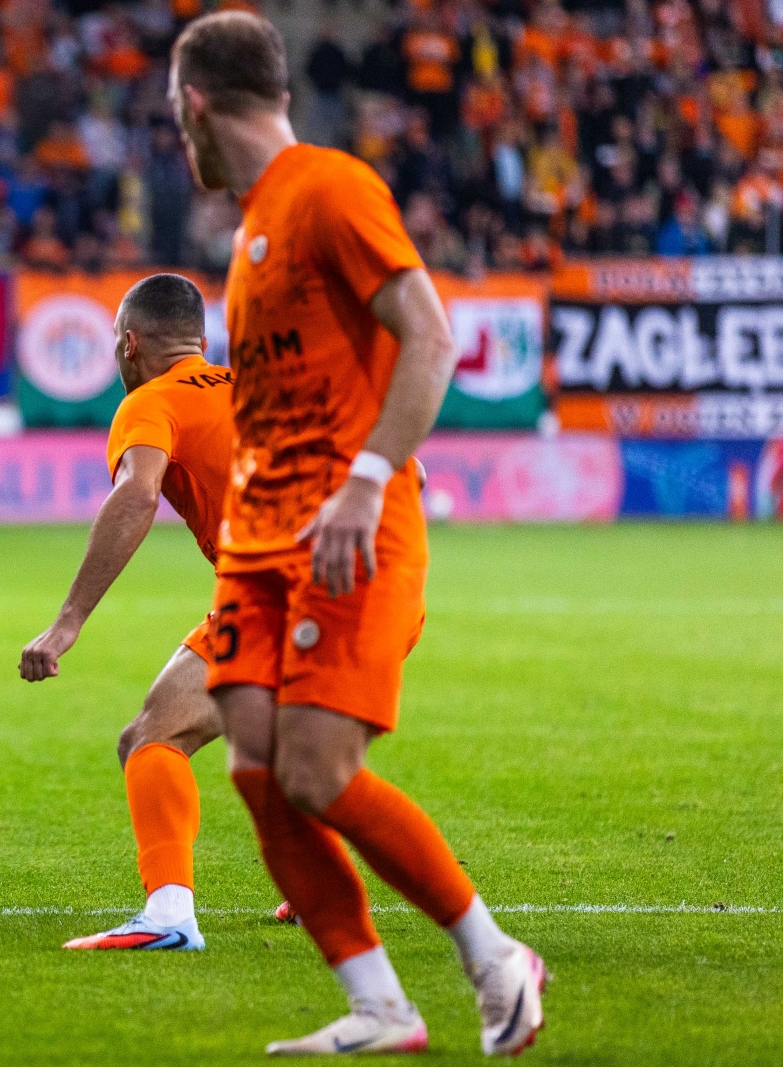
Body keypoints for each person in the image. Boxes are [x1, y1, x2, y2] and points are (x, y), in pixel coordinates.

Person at [167, 12, 548, 1057]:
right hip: (260, 538)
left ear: (194, 103)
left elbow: (430, 334)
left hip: (342, 529)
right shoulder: (252, 229)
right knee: (253, 762)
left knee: (317, 769)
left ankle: (493, 957)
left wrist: (369, 479)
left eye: (175, 117)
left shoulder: (329, 188)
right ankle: (379, 1004)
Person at [19, 273, 235, 951]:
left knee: (151, 739)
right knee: (290, 745)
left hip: (283, 592)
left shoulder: (152, 400)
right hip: (380, 588)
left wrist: (68, 622)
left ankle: (168, 916)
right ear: (201, 341)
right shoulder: (262, 387)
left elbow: (138, 495)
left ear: (129, 344)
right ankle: (321, 889)